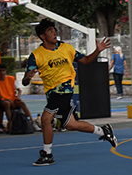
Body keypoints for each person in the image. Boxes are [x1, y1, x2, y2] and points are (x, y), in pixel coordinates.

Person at [22, 19, 117, 166]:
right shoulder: (36, 55)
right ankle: (103, 131)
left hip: (64, 90)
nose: (55, 33)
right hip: (52, 93)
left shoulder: (66, 48)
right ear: (42, 36)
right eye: (50, 31)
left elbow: (85, 60)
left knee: (46, 119)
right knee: (71, 125)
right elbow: (25, 81)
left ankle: (47, 154)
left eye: (55, 30)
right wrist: (28, 76)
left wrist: (98, 50)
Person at [0, 63, 40, 133]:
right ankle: (11, 123)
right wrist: (7, 99)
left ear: (6, 71)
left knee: (21, 103)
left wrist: (18, 97)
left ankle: (32, 122)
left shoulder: (11, 79)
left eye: (3, 70)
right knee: (7, 104)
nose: (2, 72)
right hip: (3, 100)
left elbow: (19, 90)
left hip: (12, 99)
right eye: (0, 70)